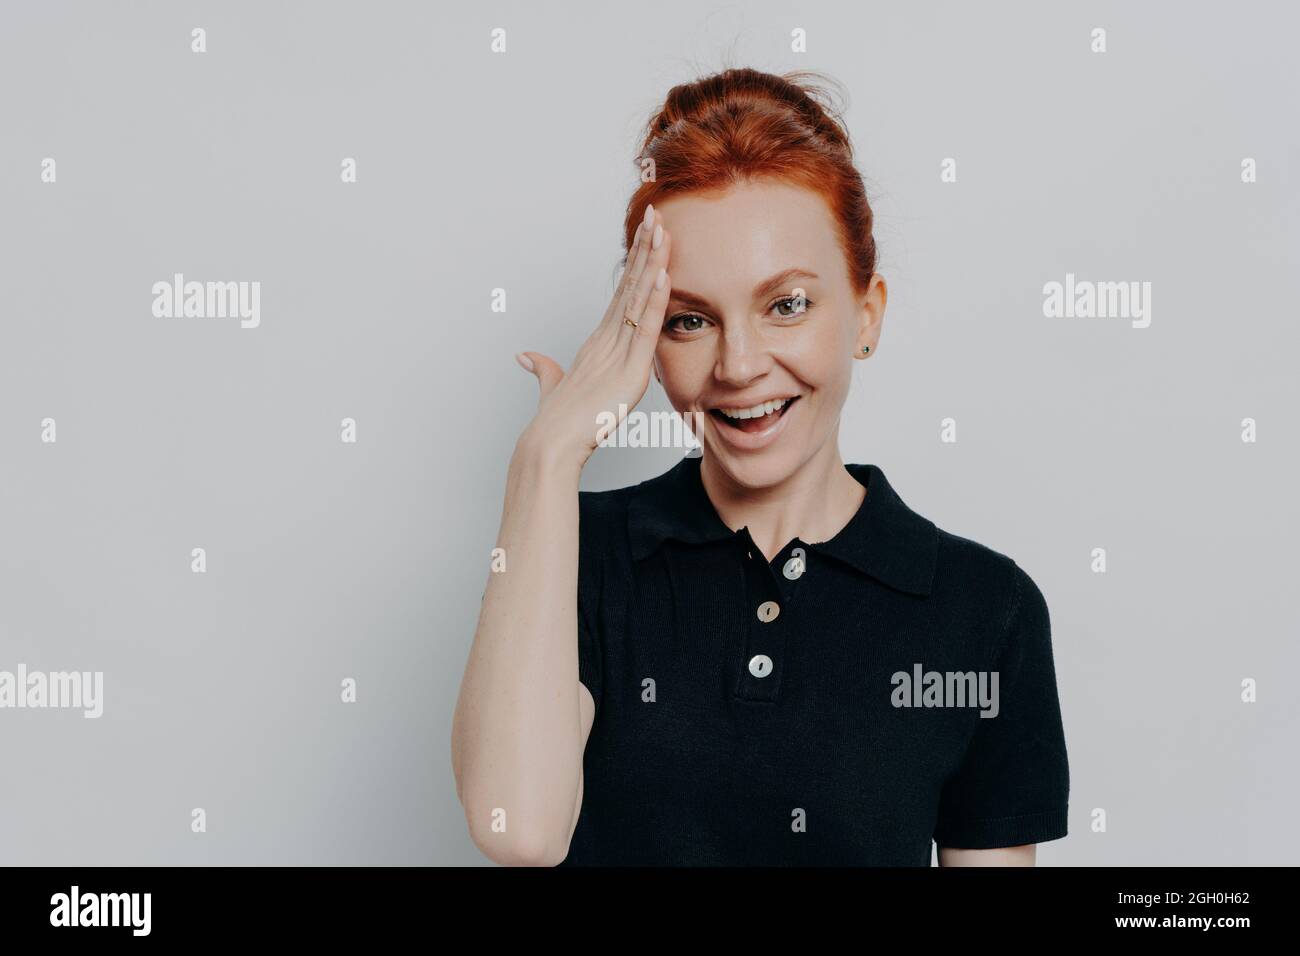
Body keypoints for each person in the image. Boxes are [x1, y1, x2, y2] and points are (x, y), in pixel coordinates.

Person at [451, 67, 1069, 866]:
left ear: (867, 315)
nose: (738, 365)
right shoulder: (576, 552)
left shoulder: (987, 610)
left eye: (787, 304)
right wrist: (545, 458)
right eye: (690, 320)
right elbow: (516, 831)